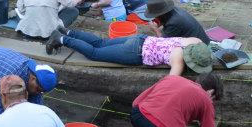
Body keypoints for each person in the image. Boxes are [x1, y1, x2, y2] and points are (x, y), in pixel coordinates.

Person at [47, 27, 212, 76]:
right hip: (135, 53)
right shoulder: (179, 58)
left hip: (141, 39)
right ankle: (61, 39)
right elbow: (170, 82)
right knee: (94, 53)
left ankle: (68, 32)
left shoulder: (195, 42)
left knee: (101, 42)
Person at [143, 0, 210, 43]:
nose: (155, 17)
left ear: (161, 14)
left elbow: (163, 41)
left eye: (155, 15)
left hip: (199, 47)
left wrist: (155, 29)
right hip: (199, 39)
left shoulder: (173, 22)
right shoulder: (174, 10)